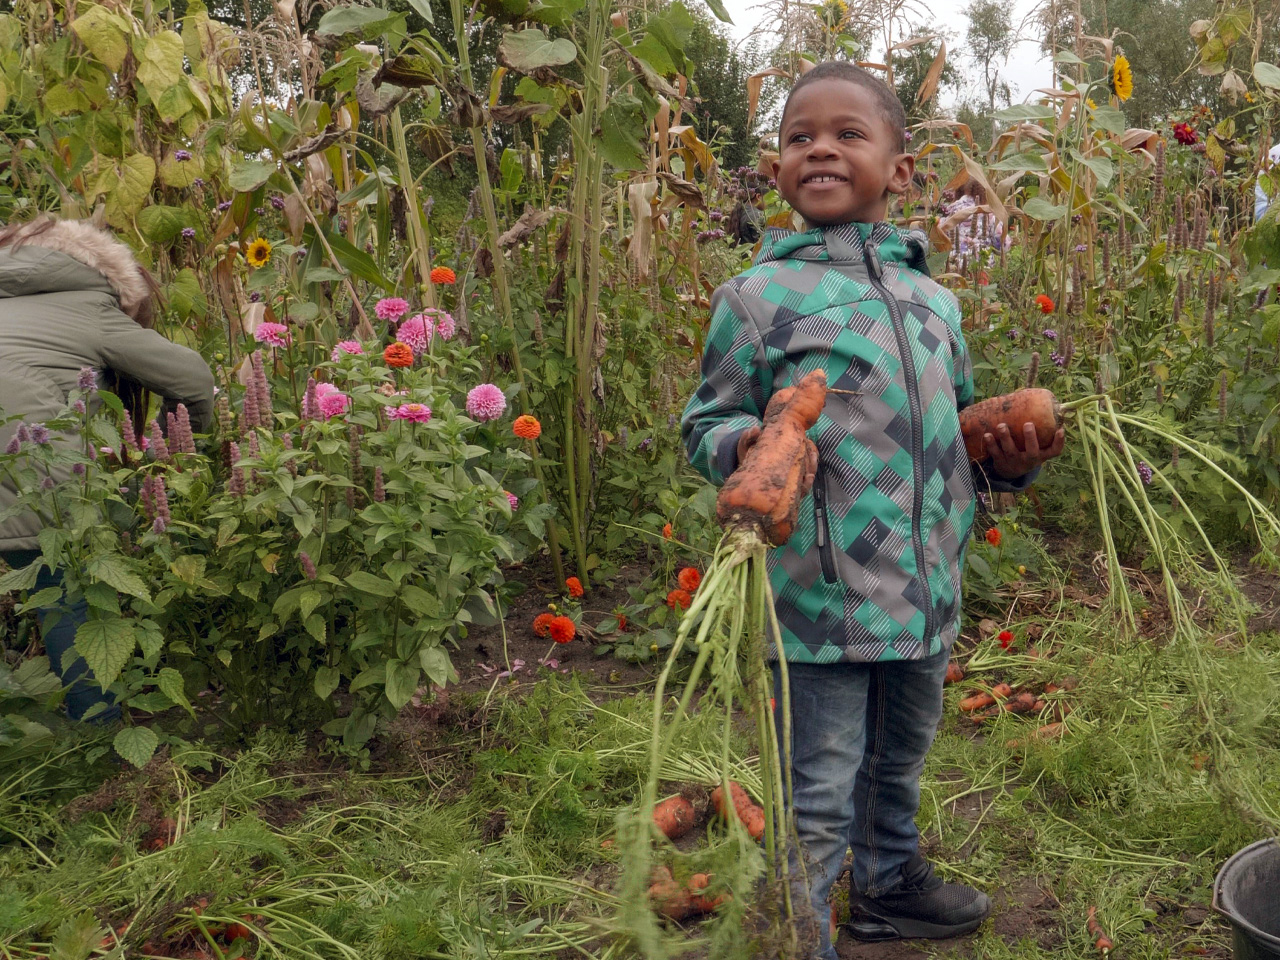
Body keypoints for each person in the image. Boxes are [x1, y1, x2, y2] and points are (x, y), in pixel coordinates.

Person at [681, 61, 1064, 955]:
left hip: (924, 591)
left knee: (896, 766)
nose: (819, 146)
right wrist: (751, 446)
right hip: (816, 605)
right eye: (798, 136)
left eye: (848, 133)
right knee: (815, 795)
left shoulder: (936, 303)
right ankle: (796, 934)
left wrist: (1007, 462)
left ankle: (889, 886)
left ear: (900, 169)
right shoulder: (755, 299)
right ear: (776, 169)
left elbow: (961, 431)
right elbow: (708, 421)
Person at [0, 217, 214, 722]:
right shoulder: (89, 303)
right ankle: (106, 756)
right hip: (33, 468)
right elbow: (194, 380)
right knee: (66, 591)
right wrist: (179, 455)